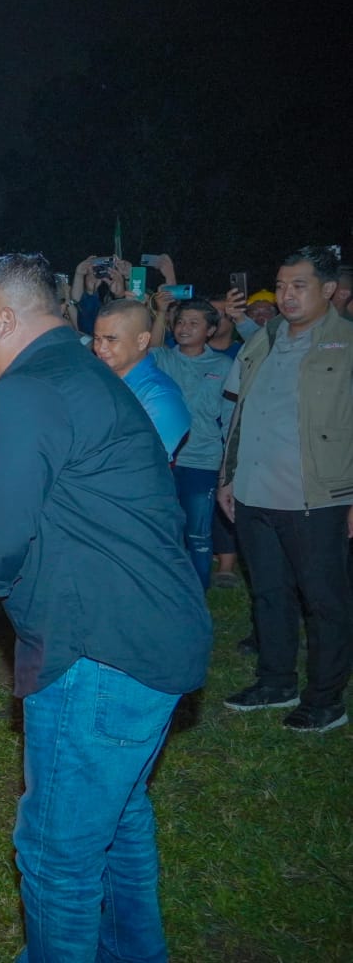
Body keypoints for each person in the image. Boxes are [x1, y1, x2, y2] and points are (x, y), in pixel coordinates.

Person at [0, 253, 211, 961]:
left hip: (101, 649)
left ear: (5, 318)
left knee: (58, 855)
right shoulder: (79, 374)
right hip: (151, 636)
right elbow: (42, 516)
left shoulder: (27, 388)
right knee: (118, 824)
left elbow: (3, 522)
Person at [219, 245, 353, 733]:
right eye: (281, 286)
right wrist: (229, 477)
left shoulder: (347, 344)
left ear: (329, 290)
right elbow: (240, 413)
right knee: (270, 595)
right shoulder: (264, 340)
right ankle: (276, 682)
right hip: (255, 493)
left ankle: (326, 698)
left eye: (299, 286)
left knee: (324, 602)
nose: (286, 296)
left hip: (316, 498)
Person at [146, 296, 236, 588]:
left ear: (210, 330)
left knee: (198, 534)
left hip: (203, 461)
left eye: (194, 323)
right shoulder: (162, 358)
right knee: (163, 532)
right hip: (163, 462)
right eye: (181, 321)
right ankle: (166, 591)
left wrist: (227, 468)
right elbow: (149, 349)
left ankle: (198, 593)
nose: (185, 327)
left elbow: (231, 418)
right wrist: (161, 312)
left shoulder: (224, 366)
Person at [91, 300, 190, 458]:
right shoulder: (98, 381)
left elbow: (140, 463)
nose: (100, 348)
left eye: (111, 340)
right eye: (97, 339)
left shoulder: (161, 397)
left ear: (142, 340)